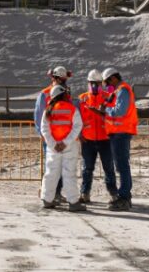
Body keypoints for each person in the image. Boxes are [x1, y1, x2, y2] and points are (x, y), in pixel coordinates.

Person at [39, 85, 86, 211]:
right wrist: (65, 142)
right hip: (69, 147)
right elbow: (77, 126)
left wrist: (54, 144)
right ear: (63, 95)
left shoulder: (48, 110)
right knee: (69, 174)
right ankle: (73, 202)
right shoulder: (71, 109)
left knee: (51, 173)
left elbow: (45, 129)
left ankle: (47, 199)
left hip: (54, 148)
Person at [98, 67, 138, 211]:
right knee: (121, 166)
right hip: (118, 133)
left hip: (121, 133)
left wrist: (106, 110)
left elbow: (120, 111)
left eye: (107, 82)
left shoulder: (123, 90)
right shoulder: (118, 91)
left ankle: (124, 197)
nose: (107, 86)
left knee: (122, 166)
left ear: (113, 78)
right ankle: (125, 196)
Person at [77, 69, 118, 204]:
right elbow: (76, 120)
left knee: (108, 168)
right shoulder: (82, 99)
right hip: (87, 140)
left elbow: (114, 116)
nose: (95, 86)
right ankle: (85, 193)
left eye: (97, 83)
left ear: (102, 83)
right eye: (92, 83)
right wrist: (79, 135)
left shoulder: (109, 97)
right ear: (88, 83)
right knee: (87, 169)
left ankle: (113, 194)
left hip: (105, 139)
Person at [34, 66, 71, 200]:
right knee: (51, 168)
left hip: (63, 138)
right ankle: (46, 193)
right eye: (61, 80)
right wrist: (44, 136)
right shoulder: (45, 94)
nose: (63, 82)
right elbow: (39, 117)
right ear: (54, 78)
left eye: (64, 80)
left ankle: (56, 193)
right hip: (50, 138)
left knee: (61, 167)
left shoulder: (65, 94)